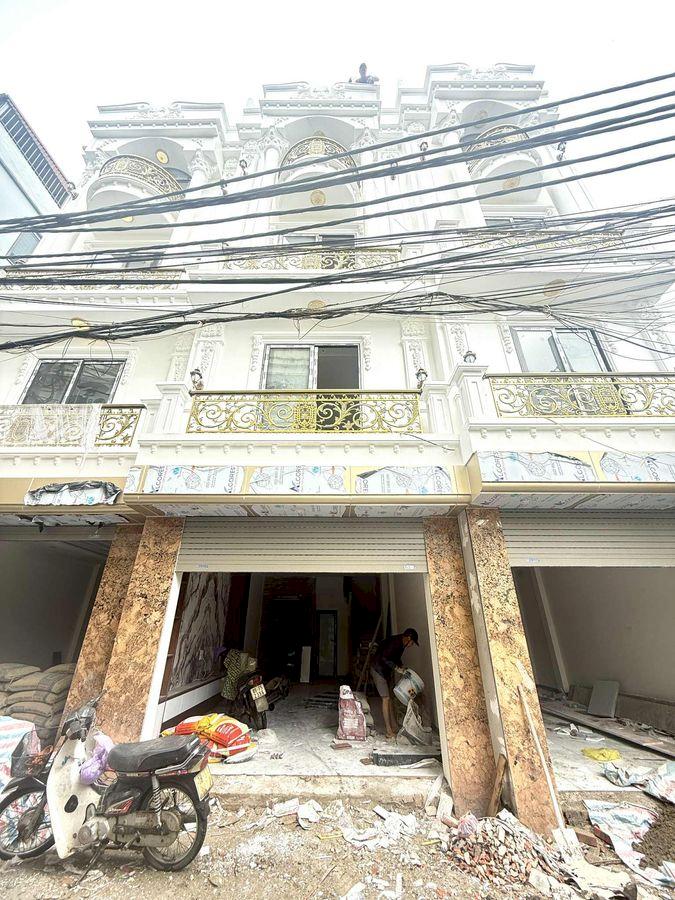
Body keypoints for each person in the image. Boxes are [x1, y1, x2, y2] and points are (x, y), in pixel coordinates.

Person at [370, 628, 418, 738]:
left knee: (389, 699)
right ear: (408, 638)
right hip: (378, 669)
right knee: (385, 698)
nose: (412, 645)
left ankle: (394, 726)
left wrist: (402, 667)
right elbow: (384, 658)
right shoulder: (394, 643)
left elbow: (395, 658)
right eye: (412, 643)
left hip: (385, 671)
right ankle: (388, 730)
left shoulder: (401, 644)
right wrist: (397, 668)